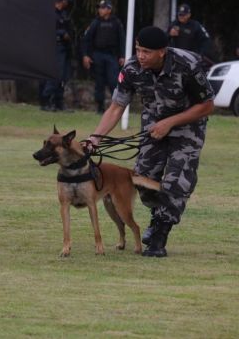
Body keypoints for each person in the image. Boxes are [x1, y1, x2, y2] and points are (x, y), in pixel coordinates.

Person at [87, 26, 214, 258]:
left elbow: (207, 105)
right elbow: (116, 107)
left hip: (188, 127)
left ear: (162, 52)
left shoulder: (186, 65)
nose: (141, 56)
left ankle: (159, 236)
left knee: (178, 180)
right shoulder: (132, 68)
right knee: (142, 179)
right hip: (153, 127)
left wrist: (171, 122)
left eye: (146, 51)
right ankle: (158, 215)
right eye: (138, 49)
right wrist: (96, 137)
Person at [81, 0, 126, 113]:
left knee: (113, 81)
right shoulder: (96, 22)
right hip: (98, 55)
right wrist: (85, 55)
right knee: (99, 82)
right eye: (99, 8)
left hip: (112, 56)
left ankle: (115, 107)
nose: (100, 10)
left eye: (102, 8)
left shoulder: (116, 22)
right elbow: (86, 39)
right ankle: (100, 107)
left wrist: (122, 55)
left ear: (109, 9)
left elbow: (122, 40)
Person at [41, 0, 74, 111]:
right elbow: (47, 30)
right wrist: (61, 34)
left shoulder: (63, 14)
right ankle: (46, 101)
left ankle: (59, 102)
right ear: (61, 0)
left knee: (63, 76)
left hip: (65, 48)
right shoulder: (51, 14)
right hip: (55, 47)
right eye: (65, 0)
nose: (67, 2)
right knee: (55, 74)